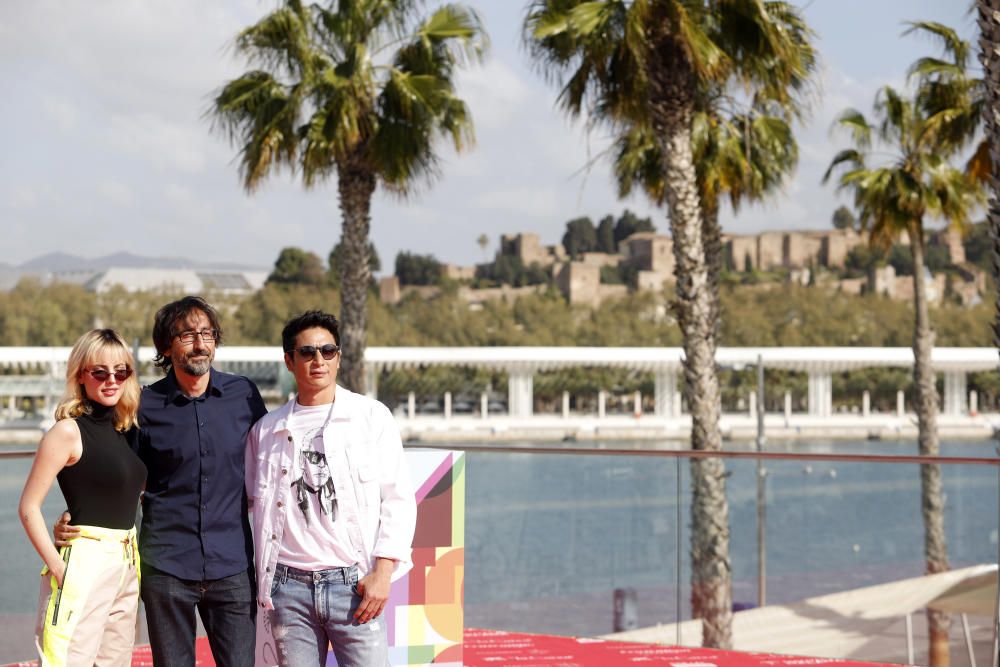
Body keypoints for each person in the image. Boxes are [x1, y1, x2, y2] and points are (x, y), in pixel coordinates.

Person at [56, 296, 267, 667]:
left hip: (232, 564)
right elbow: (113, 469)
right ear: (166, 347)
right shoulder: (143, 405)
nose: (200, 343)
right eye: (187, 335)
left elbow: (275, 461)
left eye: (207, 333)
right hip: (167, 567)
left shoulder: (244, 396)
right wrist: (76, 514)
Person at [246, 310, 416, 667]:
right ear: (289, 361)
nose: (318, 360)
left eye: (328, 350)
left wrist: (382, 574)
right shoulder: (266, 431)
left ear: (338, 357)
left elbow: (398, 500)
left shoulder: (371, 418)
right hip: (287, 589)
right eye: (307, 352)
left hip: (353, 586)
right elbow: (250, 506)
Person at [20, 329, 146, 667]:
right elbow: (28, 507)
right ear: (80, 375)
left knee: (115, 661)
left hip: (127, 560)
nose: (111, 380)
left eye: (121, 372)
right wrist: (60, 568)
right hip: (84, 561)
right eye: (100, 372)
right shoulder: (67, 431)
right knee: (68, 660)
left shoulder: (126, 431)